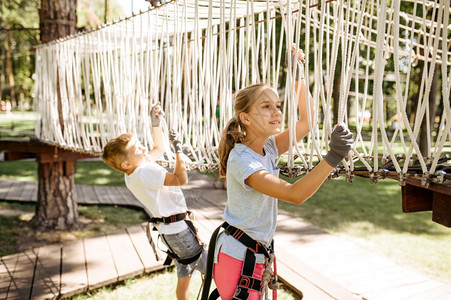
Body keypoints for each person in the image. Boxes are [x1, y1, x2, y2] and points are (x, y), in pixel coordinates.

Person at [203, 45, 354, 300]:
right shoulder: (242, 159)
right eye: (266, 106)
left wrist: (298, 76)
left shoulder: (268, 147)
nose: (277, 112)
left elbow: (306, 122)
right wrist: (333, 157)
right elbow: (294, 194)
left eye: (278, 105)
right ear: (246, 118)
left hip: (253, 254)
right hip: (239, 258)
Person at [102, 105, 207, 300]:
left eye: (140, 143)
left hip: (171, 233)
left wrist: (156, 123)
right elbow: (180, 179)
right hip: (180, 232)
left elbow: (159, 148)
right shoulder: (144, 171)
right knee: (215, 268)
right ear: (126, 163)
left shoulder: (132, 172)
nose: (143, 148)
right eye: (137, 148)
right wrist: (178, 152)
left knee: (184, 277)